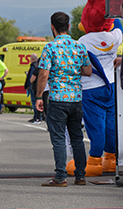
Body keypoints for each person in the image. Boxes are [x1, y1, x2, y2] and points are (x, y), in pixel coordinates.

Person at [67, 0, 123, 177]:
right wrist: (113, 16)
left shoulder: (84, 41)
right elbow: (119, 25)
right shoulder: (114, 37)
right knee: (111, 124)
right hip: (112, 87)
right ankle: (111, 159)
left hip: (91, 89)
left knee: (95, 125)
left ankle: (94, 161)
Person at [36, 11, 92, 187]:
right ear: (68, 26)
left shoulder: (50, 48)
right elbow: (88, 71)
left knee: (59, 138)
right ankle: (80, 175)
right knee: (77, 137)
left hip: (58, 98)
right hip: (76, 98)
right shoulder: (79, 47)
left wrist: (38, 96)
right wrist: (74, 71)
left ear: (52, 27)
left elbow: (43, 74)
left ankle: (60, 177)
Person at [30, 57, 49, 123]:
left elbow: (32, 79)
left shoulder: (37, 69)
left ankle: (38, 118)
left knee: (38, 103)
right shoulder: (49, 69)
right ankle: (46, 117)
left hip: (39, 89)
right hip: (47, 89)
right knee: (46, 104)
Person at [24, 53, 39, 123]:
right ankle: (38, 116)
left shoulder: (33, 66)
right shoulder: (38, 65)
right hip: (37, 86)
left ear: (32, 59)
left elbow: (32, 77)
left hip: (33, 86)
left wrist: (29, 85)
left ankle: (36, 116)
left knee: (34, 102)